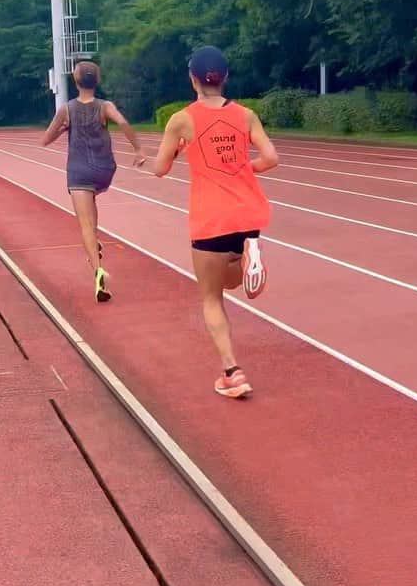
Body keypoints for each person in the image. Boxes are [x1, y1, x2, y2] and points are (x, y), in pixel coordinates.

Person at [150, 46, 278, 399]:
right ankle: (250, 251)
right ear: (225, 78)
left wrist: (179, 149)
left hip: (211, 218)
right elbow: (271, 158)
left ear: (192, 80)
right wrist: (242, 170)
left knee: (211, 298)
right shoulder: (246, 115)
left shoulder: (181, 120)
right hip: (247, 214)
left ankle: (231, 371)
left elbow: (159, 169)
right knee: (234, 282)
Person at [42, 61, 145, 303]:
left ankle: (97, 272)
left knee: (85, 225)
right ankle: (95, 242)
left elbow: (45, 139)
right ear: (97, 81)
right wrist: (139, 149)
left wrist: (62, 130)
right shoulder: (104, 106)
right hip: (103, 170)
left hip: (79, 172)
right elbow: (123, 122)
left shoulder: (67, 109)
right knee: (91, 202)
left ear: (75, 82)